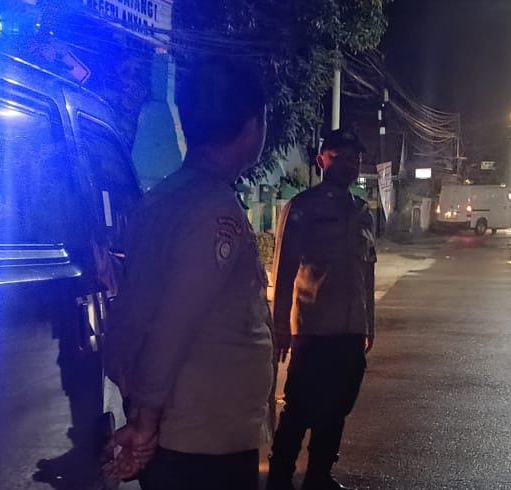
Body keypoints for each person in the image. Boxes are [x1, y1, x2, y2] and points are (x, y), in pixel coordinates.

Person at [102, 57, 274, 490]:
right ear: (253, 127)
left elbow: (134, 311)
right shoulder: (215, 210)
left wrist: (139, 404)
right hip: (204, 442)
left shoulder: (161, 200)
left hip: (186, 435)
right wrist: (146, 420)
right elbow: (173, 323)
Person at [266, 130, 376, 490]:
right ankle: (279, 478)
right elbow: (284, 269)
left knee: (338, 408)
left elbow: (367, 271)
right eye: (338, 156)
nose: (349, 164)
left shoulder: (362, 212)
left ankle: (319, 475)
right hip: (313, 328)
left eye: (354, 158)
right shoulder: (303, 207)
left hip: (351, 329)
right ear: (321, 161)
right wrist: (281, 326)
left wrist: (369, 325)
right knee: (299, 407)